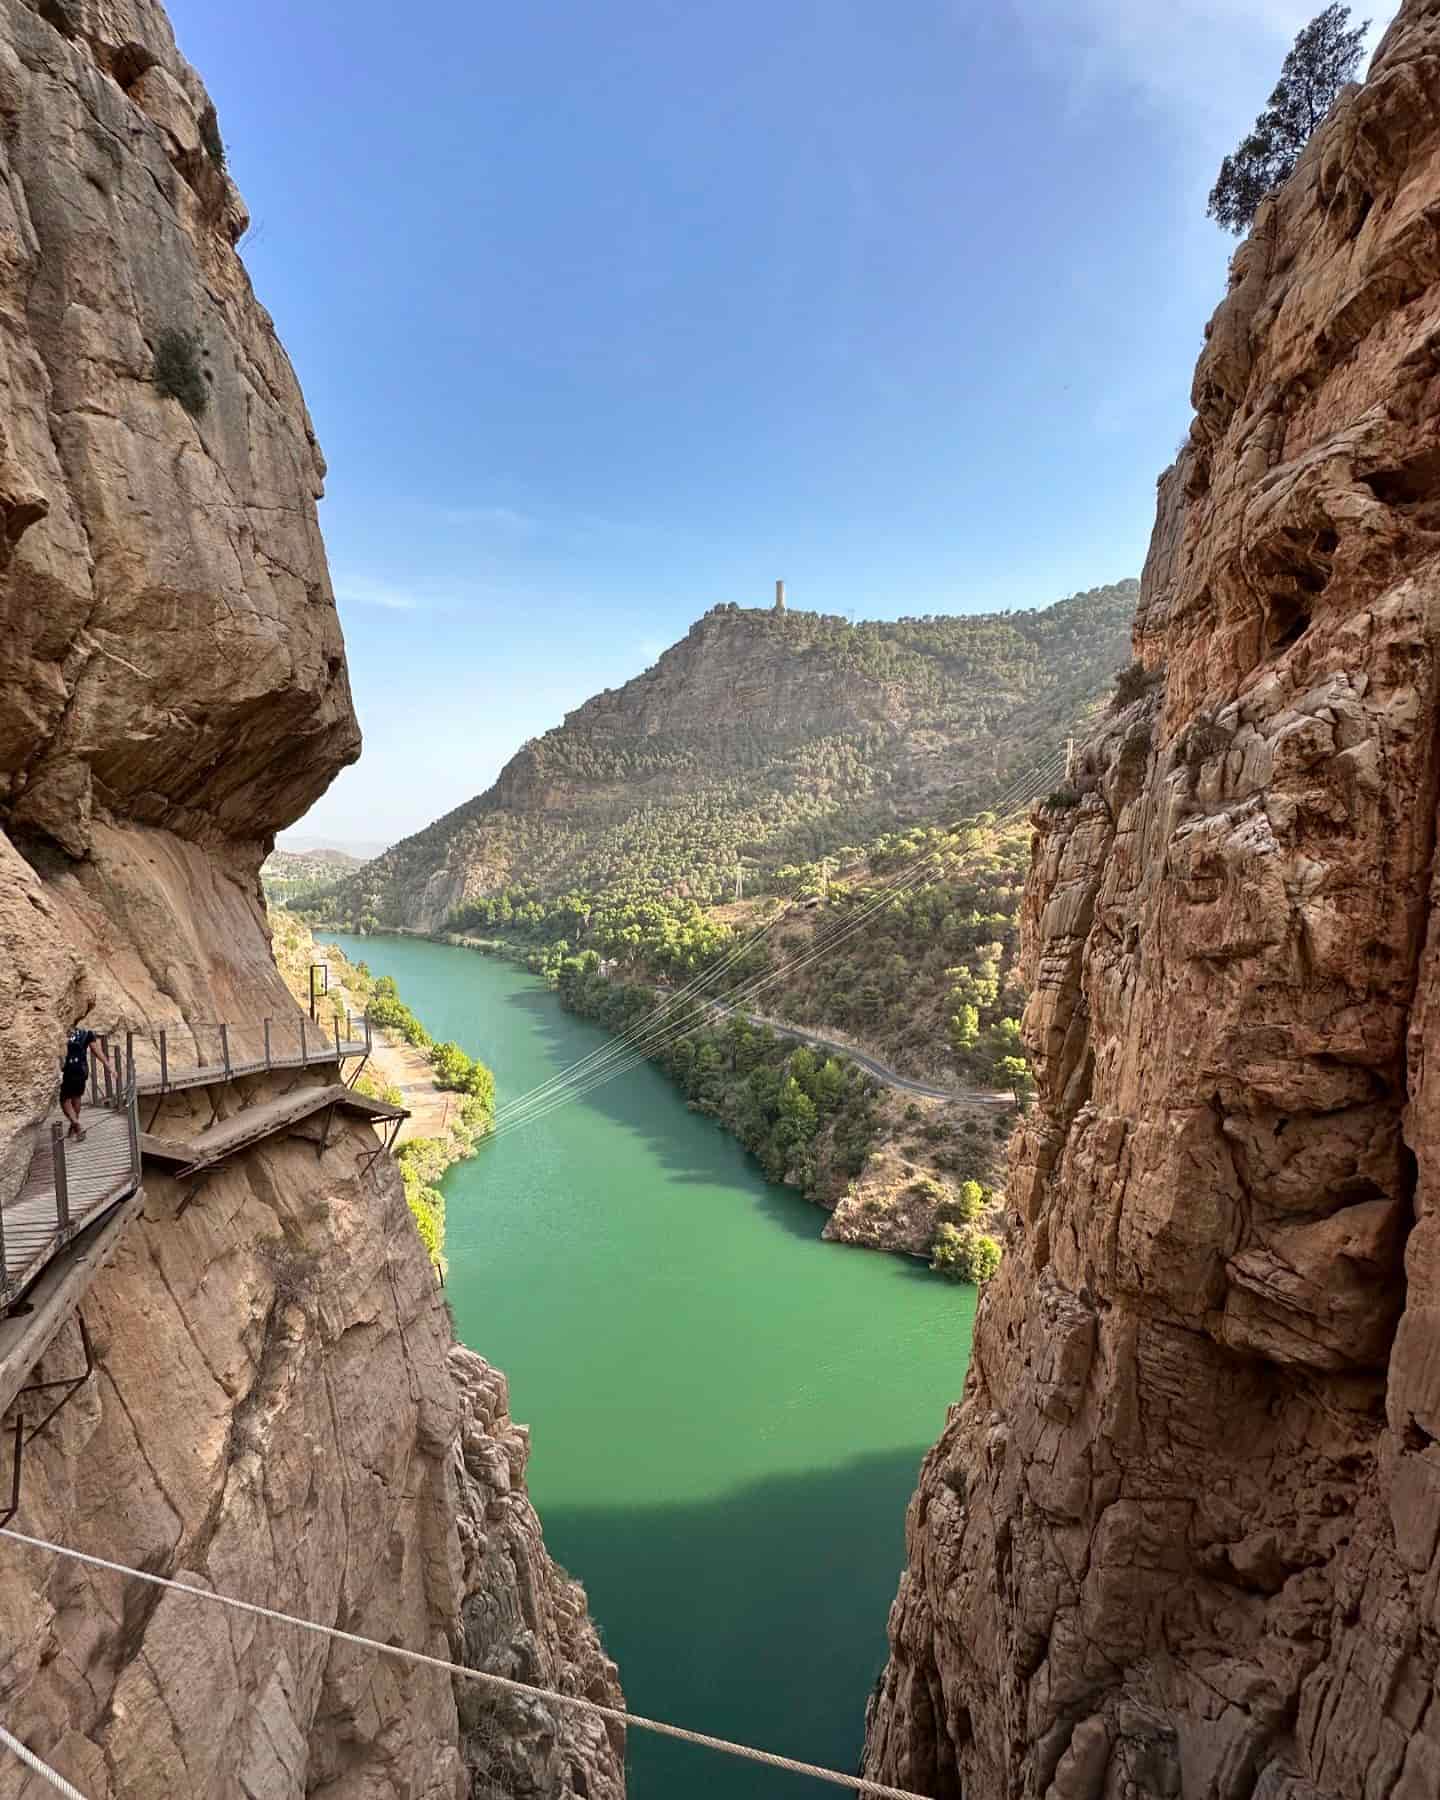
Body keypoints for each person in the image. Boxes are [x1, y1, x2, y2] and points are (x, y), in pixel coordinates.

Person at [59, 1025, 114, 1141]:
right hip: (82, 1071)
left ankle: (75, 1123)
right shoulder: (86, 1034)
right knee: (76, 1097)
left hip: (70, 1070)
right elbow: (97, 1051)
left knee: (64, 1099)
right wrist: (108, 1066)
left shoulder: (63, 1033)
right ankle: (74, 1127)